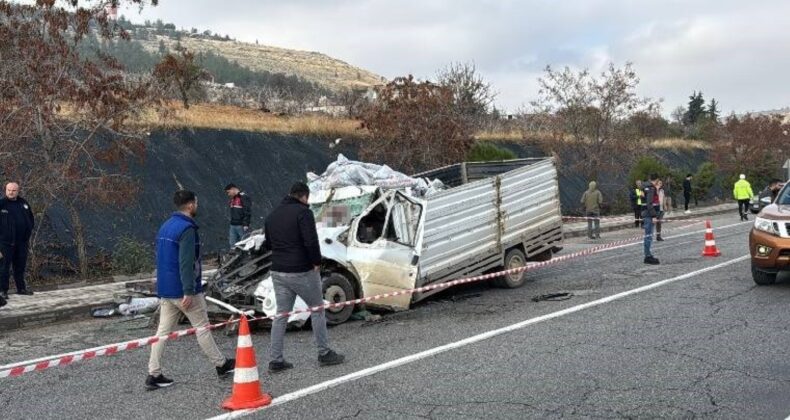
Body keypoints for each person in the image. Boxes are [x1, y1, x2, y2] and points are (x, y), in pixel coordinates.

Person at [146, 190, 235, 390]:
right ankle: (221, 365)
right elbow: (186, 262)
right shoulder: (187, 229)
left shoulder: (165, 226)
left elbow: (161, 258)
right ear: (190, 205)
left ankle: (154, 373)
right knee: (202, 328)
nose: (197, 205)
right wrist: (188, 290)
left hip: (166, 289)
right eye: (196, 202)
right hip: (184, 290)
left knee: (162, 332)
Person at [264, 182, 344, 373]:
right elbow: (310, 240)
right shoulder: (303, 212)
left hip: (278, 270)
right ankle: (324, 353)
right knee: (317, 309)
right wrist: (316, 262)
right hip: (301, 270)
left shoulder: (272, 215)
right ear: (304, 197)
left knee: (281, 314)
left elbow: (268, 245)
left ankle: (276, 360)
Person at [0, 182, 35, 299]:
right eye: (9, 190)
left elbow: (30, 218)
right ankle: (2, 291)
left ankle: (21, 288)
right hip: (5, 243)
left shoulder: (23, 203)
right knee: (4, 267)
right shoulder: (2, 204)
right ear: (5, 190)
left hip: (22, 242)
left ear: (18, 191)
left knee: (20, 266)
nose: (11, 192)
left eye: (13, 190)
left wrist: (28, 233)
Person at [225, 184, 252, 249]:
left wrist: (246, 224)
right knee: (233, 245)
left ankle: (246, 257)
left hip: (241, 225)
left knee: (244, 244)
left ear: (233, 189)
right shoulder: (233, 199)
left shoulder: (244, 197)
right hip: (233, 225)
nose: (228, 194)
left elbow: (247, 211)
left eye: (228, 192)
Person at [642, 174, 660, 265]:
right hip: (649, 215)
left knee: (648, 235)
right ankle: (647, 256)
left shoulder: (644, 187)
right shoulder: (651, 188)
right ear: (656, 180)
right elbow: (650, 203)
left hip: (646, 213)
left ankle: (648, 255)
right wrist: (654, 215)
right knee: (648, 236)